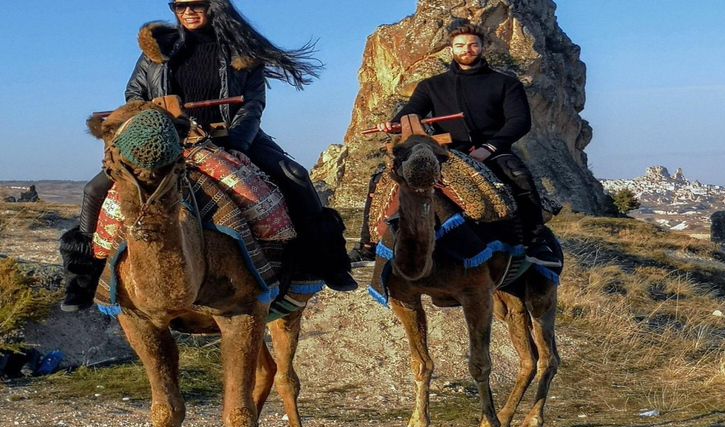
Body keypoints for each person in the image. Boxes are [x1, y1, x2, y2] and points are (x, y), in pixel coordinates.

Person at [60, 0, 356, 311]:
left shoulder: (243, 52)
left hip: (230, 135)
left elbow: (252, 106)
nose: (187, 11)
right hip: (167, 137)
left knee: (295, 175)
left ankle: (326, 262)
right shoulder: (155, 51)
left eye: (196, 4)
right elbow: (135, 96)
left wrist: (236, 144)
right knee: (93, 190)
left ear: (215, 6)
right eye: (178, 5)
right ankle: (83, 279)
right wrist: (155, 119)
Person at [348, 22, 561, 268]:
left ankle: (535, 244)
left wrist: (490, 147)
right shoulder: (431, 85)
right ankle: (368, 246)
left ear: (483, 47)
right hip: (446, 153)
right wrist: (394, 124)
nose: (466, 50)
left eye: (473, 45)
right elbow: (411, 112)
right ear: (451, 49)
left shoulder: (506, 83)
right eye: (460, 45)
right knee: (381, 179)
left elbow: (519, 121)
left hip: (492, 150)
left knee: (519, 176)